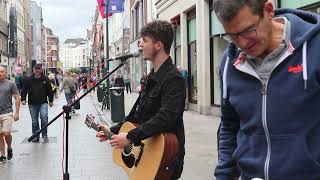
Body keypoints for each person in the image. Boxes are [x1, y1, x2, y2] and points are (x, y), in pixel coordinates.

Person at [213, 1, 320, 180]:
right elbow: (229, 127)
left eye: (248, 30)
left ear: (268, 10)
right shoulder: (229, 63)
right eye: (232, 35)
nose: (242, 43)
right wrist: (223, 176)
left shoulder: (315, 48)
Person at [96, 20, 186, 179]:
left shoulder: (174, 78)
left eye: (145, 41)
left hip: (164, 157)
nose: (140, 45)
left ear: (158, 45)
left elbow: (167, 117)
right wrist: (114, 130)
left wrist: (130, 137)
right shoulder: (151, 77)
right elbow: (138, 115)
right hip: (147, 151)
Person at [21, 63, 54, 143]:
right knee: (34, 121)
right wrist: (23, 99)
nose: (37, 70)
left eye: (39, 69)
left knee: (44, 118)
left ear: (41, 70)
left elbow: (50, 90)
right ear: (33, 70)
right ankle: (36, 136)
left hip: (43, 102)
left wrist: (51, 100)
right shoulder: (28, 79)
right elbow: (24, 89)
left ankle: (45, 135)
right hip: (32, 103)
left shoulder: (45, 79)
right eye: (36, 69)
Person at [0, 66, 20, 163]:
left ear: (5, 73)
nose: (0, 73)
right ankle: (3, 155)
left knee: (6, 133)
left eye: (2, 71)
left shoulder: (11, 84)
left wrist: (17, 112)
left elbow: (17, 97)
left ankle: (9, 147)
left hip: (7, 112)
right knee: (0, 135)